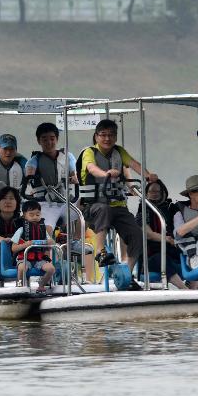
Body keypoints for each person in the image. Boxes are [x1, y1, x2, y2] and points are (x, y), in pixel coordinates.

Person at [78, 119, 157, 285]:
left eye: (111, 135)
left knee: (137, 234)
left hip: (118, 206)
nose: (107, 138)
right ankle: (100, 251)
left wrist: (148, 174)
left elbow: (134, 164)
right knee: (104, 209)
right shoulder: (89, 152)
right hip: (93, 206)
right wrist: (106, 173)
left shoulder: (119, 152)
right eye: (103, 135)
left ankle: (126, 275)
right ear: (96, 136)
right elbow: (91, 168)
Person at [24, 122, 79, 235]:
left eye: (52, 138)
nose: (49, 142)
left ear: (57, 139)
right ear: (39, 141)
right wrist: (30, 177)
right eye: (44, 139)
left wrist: (74, 178)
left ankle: (75, 241)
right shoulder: (34, 160)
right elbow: (29, 171)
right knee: (48, 230)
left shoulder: (68, 157)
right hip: (45, 204)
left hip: (65, 202)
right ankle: (47, 246)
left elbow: (74, 173)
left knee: (83, 211)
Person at [134, 179, 188, 290]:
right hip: (151, 256)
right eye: (151, 192)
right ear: (146, 193)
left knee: (191, 253)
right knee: (160, 259)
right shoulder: (143, 210)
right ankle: (184, 289)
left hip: (173, 251)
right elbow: (148, 234)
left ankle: (193, 286)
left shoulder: (171, 208)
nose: (154, 194)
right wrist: (167, 239)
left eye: (157, 191)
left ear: (163, 192)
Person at [13, 200, 56, 293]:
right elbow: (14, 248)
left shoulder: (43, 229)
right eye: (31, 215)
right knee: (22, 268)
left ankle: (41, 285)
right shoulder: (20, 230)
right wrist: (26, 244)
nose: (35, 217)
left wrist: (48, 242)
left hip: (40, 259)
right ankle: (19, 285)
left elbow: (52, 242)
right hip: (24, 258)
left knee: (51, 269)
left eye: (37, 214)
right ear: (24, 215)